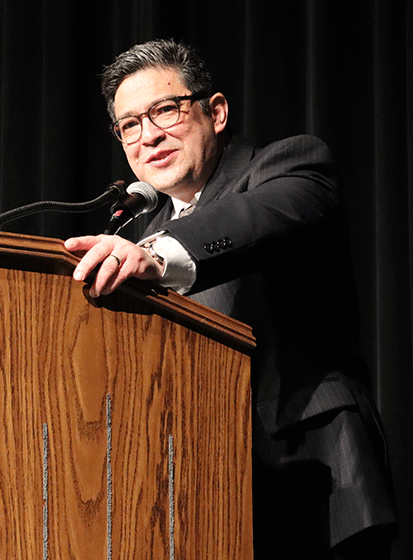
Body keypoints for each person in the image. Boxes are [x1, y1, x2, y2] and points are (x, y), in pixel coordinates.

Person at [64, 39, 396, 559]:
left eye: (165, 110)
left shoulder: (288, 166)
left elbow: (261, 219)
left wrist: (156, 256)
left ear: (215, 112)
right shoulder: (138, 229)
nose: (149, 136)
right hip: (193, 498)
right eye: (130, 125)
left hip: (310, 477)